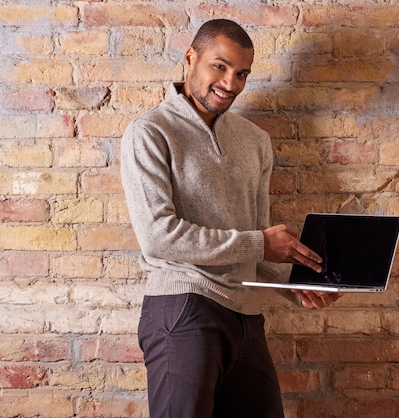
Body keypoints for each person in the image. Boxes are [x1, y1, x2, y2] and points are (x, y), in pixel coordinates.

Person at [120, 19, 342, 418]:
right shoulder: (149, 132)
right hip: (182, 307)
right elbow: (158, 236)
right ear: (191, 59)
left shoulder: (256, 141)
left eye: (242, 73)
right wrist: (261, 243)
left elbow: (254, 248)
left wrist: (297, 287)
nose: (231, 84)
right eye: (219, 67)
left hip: (245, 316)